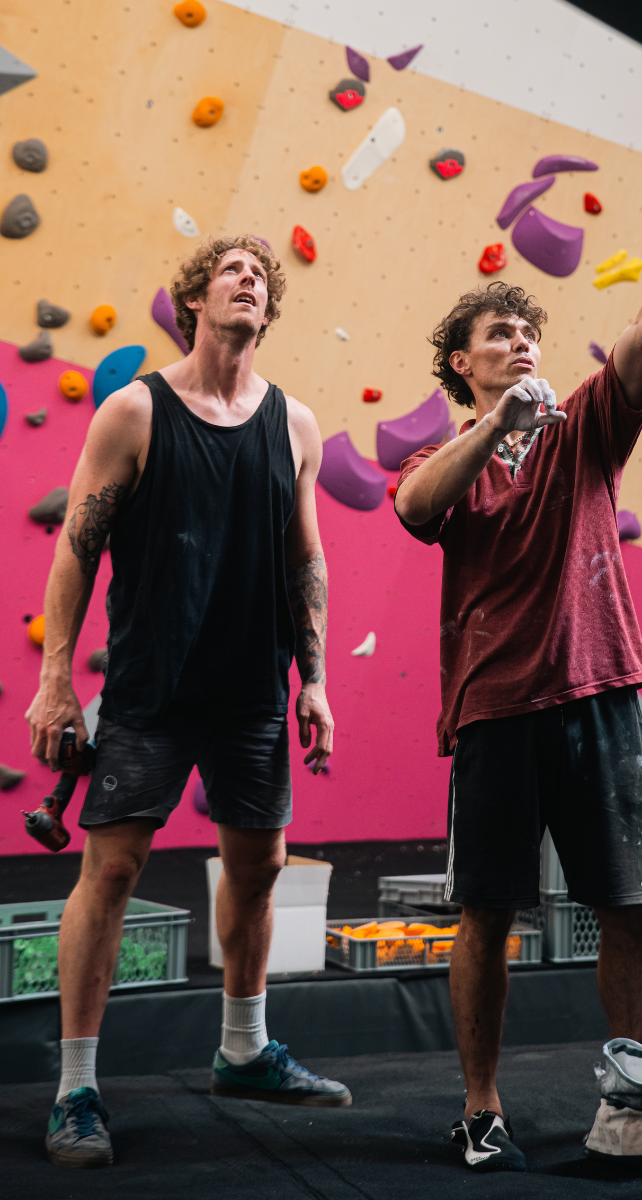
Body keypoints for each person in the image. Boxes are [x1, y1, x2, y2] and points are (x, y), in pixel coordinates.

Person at [394, 170, 642, 1172]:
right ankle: (481, 1109)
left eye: (528, 335)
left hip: (599, 698)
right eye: (497, 337)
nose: (521, 344)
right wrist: (494, 426)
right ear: (458, 365)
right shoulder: (450, 459)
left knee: (628, 905)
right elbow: (411, 509)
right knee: (484, 912)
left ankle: (635, 1100)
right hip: (492, 711)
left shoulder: (584, 430)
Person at [26, 235, 351, 1170]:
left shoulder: (295, 423)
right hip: (151, 687)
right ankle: (76, 1087)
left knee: (259, 867)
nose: (250, 277)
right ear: (194, 302)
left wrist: (316, 679)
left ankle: (244, 1052)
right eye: (232, 270)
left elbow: (305, 559)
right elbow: (76, 551)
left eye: (261, 272)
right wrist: (55, 680)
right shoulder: (134, 411)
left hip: (252, 688)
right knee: (115, 872)